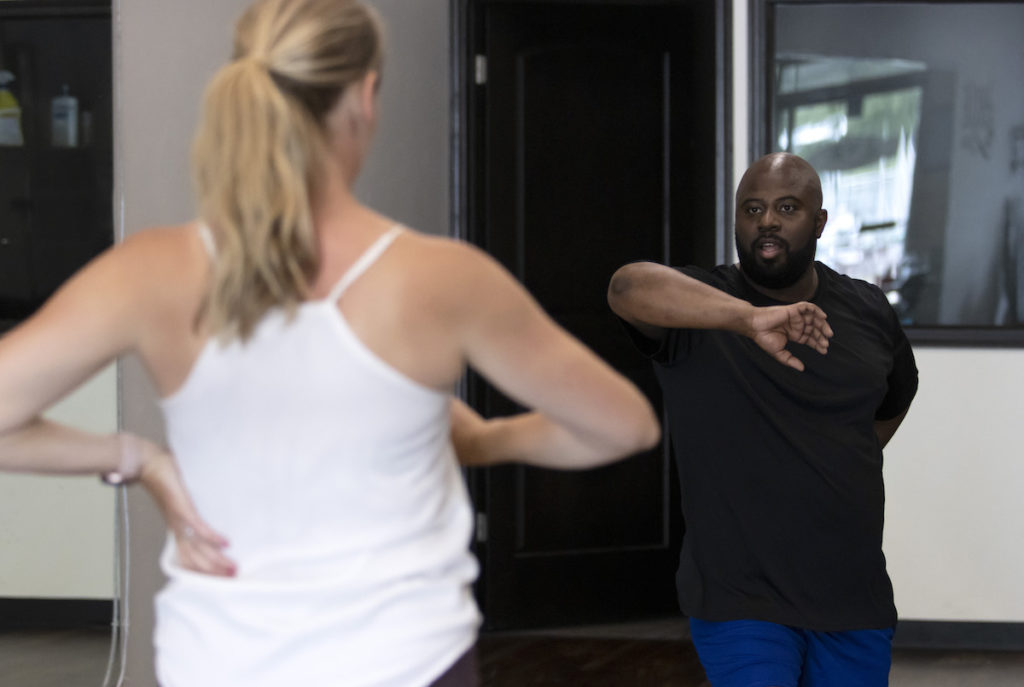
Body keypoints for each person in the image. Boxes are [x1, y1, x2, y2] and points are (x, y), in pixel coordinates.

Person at [0, 1, 660, 685]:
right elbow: (623, 425)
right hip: (409, 663)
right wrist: (479, 439)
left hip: (219, 665)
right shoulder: (440, 278)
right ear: (365, 95)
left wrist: (136, 456)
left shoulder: (149, 271)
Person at [607, 152, 918, 687]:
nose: (766, 220)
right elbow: (626, 288)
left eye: (786, 207)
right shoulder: (703, 308)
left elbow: (894, 401)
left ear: (819, 223)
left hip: (852, 592)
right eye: (752, 208)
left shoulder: (868, 309)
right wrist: (748, 320)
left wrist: (832, 459)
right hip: (741, 596)